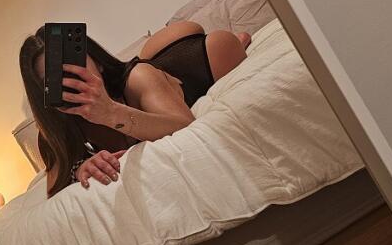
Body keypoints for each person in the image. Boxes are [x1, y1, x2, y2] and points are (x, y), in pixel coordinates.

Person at [19, 21, 252, 195]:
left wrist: (111, 113)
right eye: (53, 80)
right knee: (149, 61)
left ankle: (238, 38)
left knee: (227, 44)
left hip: (189, 62)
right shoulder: (55, 130)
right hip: (151, 77)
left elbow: (185, 125)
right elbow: (55, 190)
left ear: (97, 63)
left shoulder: (137, 78)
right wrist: (79, 169)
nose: (71, 81)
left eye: (74, 67)